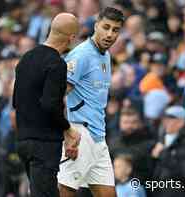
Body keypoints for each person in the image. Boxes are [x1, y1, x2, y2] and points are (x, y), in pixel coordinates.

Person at [58, 7, 124, 197]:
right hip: (80, 133)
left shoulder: (106, 56)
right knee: (66, 190)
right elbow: (58, 96)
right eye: (106, 27)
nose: (110, 34)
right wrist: (67, 132)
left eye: (115, 30)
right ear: (96, 26)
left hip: (98, 137)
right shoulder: (81, 55)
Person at [12, 13, 81, 197]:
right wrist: (68, 128)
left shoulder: (25, 59)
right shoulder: (56, 63)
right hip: (44, 144)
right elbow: (50, 105)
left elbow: (15, 101)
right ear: (71, 37)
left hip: (23, 141)